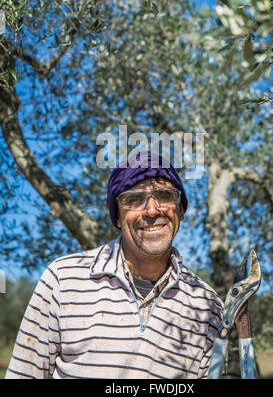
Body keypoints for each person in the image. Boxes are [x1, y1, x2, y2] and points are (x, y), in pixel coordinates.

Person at [5, 151, 223, 379]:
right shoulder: (63, 280)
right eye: (134, 199)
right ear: (117, 217)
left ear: (180, 210)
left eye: (163, 195)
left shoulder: (207, 307)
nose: (151, 210)